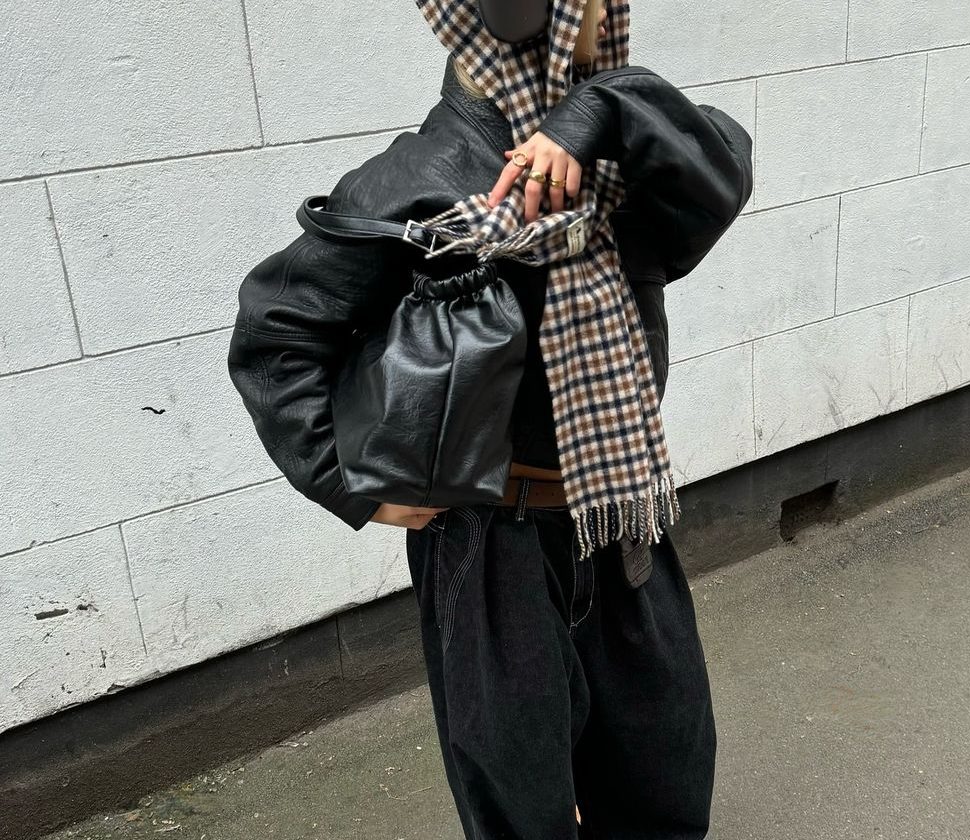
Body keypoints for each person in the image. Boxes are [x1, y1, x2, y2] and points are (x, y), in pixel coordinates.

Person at [227, 0, 753, 836]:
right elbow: (276, 332)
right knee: (520, 802)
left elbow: (721, 170)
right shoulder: (415, 179)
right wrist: (346, 479)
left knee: (664, 777)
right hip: (490, 545)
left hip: (621, 519)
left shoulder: (621, 164)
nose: (611, 8)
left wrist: (595, 112)